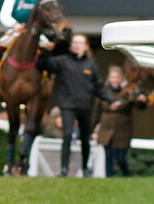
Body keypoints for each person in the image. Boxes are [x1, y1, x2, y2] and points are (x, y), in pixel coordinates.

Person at [37, 34, 119, 177]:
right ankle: (64, 169)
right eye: (74, 42)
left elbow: (98, 87)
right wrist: (45, 50)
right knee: (67, 135)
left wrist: (111, 100)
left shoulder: (90, 65)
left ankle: (85, 168)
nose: (76, 45)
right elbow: (43, 64)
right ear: (71, 46)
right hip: (67, 105)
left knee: (85, 139)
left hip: (86, 106)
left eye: (80, 43)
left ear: (86, 46)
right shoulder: (62, 61)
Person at [94, 66, 149, 177]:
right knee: (108, 157)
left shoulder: (128, 91)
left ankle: (126, 176)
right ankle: (109, 179)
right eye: (112, 77)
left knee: (120, 158)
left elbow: (139, 106)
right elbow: (96, 111)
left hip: (122, 129)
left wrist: (142, 100)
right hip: (106, 128)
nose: (114, 80)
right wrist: (93, 128)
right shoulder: (103, 92)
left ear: (121, 78)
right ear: (109, 78)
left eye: (117, 77)